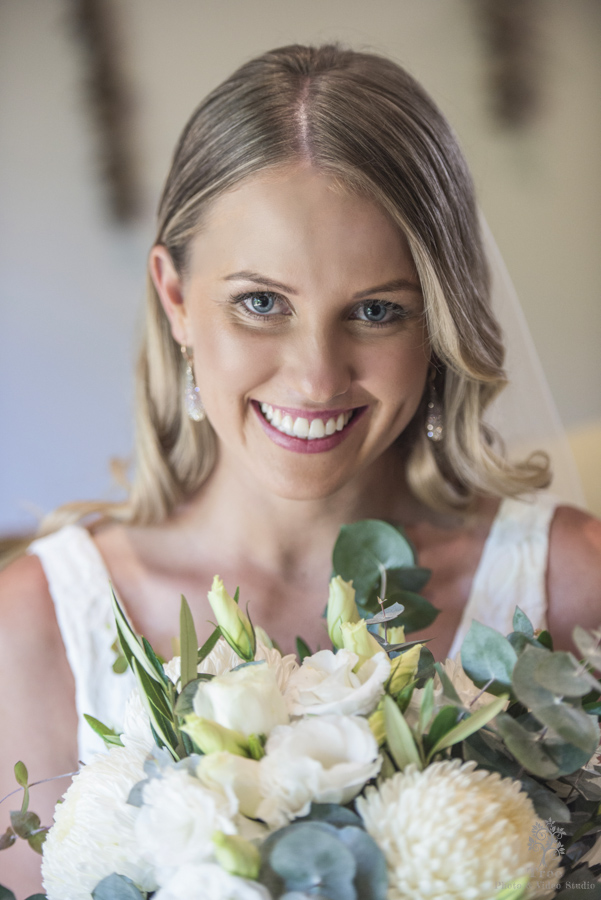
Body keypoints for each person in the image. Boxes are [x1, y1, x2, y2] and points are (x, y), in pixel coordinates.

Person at [1, 43, 600, 896]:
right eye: (260, 303)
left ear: (438, 323)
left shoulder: (574, 588)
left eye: (376, 310)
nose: (316, 376)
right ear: (175, 298)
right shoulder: (35, 630)